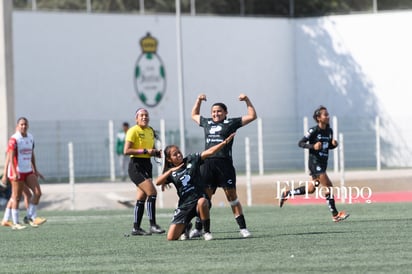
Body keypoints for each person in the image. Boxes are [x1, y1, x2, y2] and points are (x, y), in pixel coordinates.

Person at [190, 93, 257, 238]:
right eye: (213, 111)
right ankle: (199, 228)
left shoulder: (231, 123)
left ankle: (243, 228)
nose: (216, 114)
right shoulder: (207, 123)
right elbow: (194, 114)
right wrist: (199, 100)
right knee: (205, 199)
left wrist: (246, 100)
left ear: (226, 113)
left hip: (224, 165)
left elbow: (252, 116)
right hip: (207, 165)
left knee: (232, 197)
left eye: (219, 111)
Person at [156, 133, 236, 241]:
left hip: (199, 200)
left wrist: (224, 142)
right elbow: (158, 182)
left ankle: (206, 232)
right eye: (175, 154)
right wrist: (170, 170)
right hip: (185, 205)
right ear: (169, 159)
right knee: (171, 238)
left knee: (202, 201)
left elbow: (210, 152)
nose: (179, 155)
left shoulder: (191, 159)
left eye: (179, 152)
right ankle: (186, 226)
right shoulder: (172, 173)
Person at [279, 105, 350, 222]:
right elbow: (300, 143)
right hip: (314, 163)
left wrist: (333, 145)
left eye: (328, 114)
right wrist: (313, 146)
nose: (328, 116)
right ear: (318, 118)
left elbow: (327, 147)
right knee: (328, 186)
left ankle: (287, 193)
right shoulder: (313, 131)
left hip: (323, 163)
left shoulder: (329, 130)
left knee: (312, 188)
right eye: (325, 115)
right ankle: (335, 215)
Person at [124, 108, 165, 236]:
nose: (144, 117)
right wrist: (146, 151)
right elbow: (126, 151)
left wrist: (156, 153)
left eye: (146, 115)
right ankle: (153, 225)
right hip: (136, 166)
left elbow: (150, 149)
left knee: (141, 197)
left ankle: (136, 228)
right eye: (141, 115)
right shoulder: (133, 131)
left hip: (147, 165)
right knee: (152, 192)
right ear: (136, 118)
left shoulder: (150, 130)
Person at [2, 117, 47, 230]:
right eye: (21, 124)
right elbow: (10, 157)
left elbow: (31, 154)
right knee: (16, 197)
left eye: (25, 124)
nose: (23, 126)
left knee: (37, 193)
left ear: (28, 125)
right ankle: (15, 223)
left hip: (28, 170)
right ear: (18, 126)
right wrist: (10, 172)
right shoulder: (14, 139)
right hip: (17, 171)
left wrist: (35, 169)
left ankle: (29, 217)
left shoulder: (31, 137)